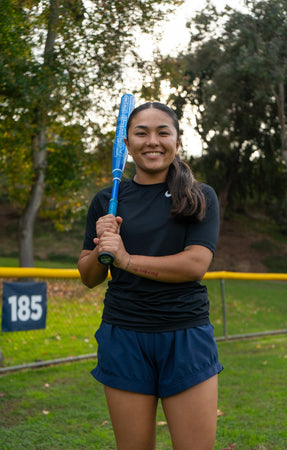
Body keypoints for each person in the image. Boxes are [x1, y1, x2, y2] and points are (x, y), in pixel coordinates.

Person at [78, 101, 223, 450]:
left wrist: (125, 259)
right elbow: (88, 275)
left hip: (184, 334)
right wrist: (102, 249)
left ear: (177, 141)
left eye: (163, 132)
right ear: (126, 145)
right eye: (141, 133)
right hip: (124, 334)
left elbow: (195, 265)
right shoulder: (106, 201)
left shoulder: (200, 196)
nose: (152, 141)